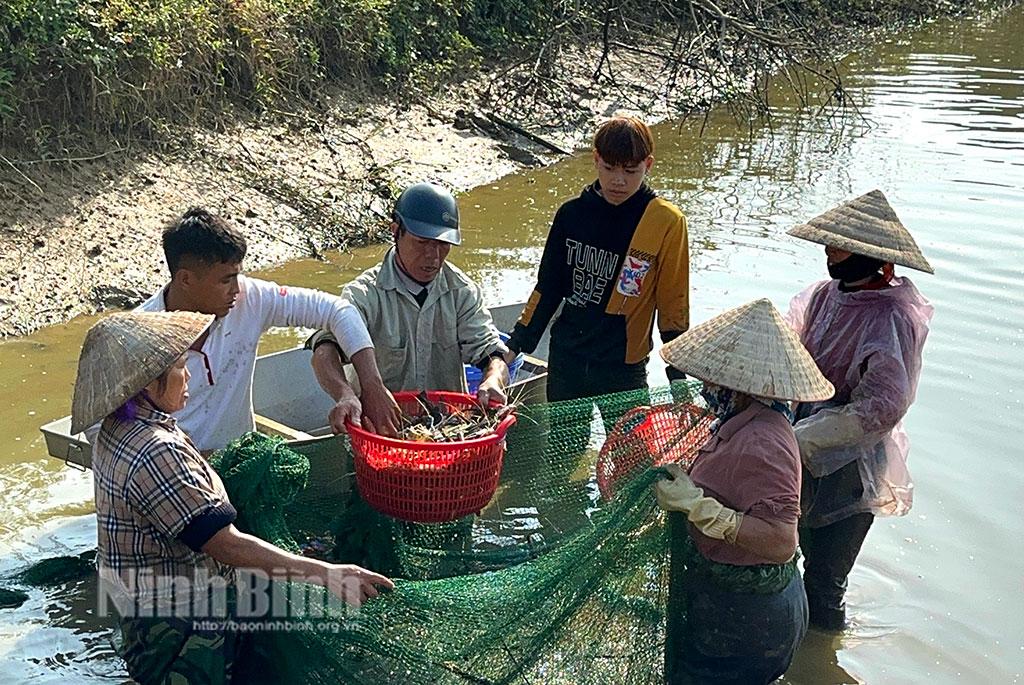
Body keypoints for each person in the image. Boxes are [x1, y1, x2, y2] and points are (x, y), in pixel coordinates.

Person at [72, 311, 394, 684]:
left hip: (142, 619)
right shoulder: (155, 451)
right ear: (146, 383)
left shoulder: (117, 429)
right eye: (178, 366)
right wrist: (329, 574)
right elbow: (227, 547)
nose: (188, 374)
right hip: (179, 631)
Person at [654, 298, 835, 685]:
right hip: (732, 603)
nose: (705, 386)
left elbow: (781, 540)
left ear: (737, 386)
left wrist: (700, 508)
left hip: (749, 618)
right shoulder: (743, 419)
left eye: (713, 378)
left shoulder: (763, 440)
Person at [785, 189, 934, 631]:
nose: (832, 254)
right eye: (830, 245)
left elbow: (882, 407)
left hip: (852, 466)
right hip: (800, 448)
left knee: (827, 582)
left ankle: (821, 662)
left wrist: (803, 438)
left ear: (876, 260)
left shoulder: (892, 316)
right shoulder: (822, 296)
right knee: (785, 561)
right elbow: (788, 350)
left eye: (842, 248)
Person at [136, 207, 396, 452]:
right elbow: (101, 427)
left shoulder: (250, 299)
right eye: (226, 280)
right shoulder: (138, 336)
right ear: (185, 279)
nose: (237, 289)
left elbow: (338, 310)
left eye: (238, 276)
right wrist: (191, 460)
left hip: (241, 462)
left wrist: (368, 387)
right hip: (175, 473)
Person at [505, 115, 690, 401]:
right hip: (568, 359)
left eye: (631, 171)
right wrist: (513, 348)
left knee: (629, 447)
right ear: (595, 159)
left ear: (648, 165)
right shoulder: (571, 214)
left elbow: (673, 305)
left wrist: (677, 377)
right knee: (566, 446)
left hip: (624, 367)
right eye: (609, 168)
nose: (619, 180)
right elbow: (548, 288)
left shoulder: (665, 222)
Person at [308, 182, 510, 436]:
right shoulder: (364, 294)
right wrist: (345, 394)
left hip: (446, 433)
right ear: (395, 232)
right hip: (381, 434)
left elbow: (493, 355)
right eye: (422, 243)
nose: (433, 257)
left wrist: (493, 379)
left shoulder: (462, 292)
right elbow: (324, 352)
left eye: (442, 245)